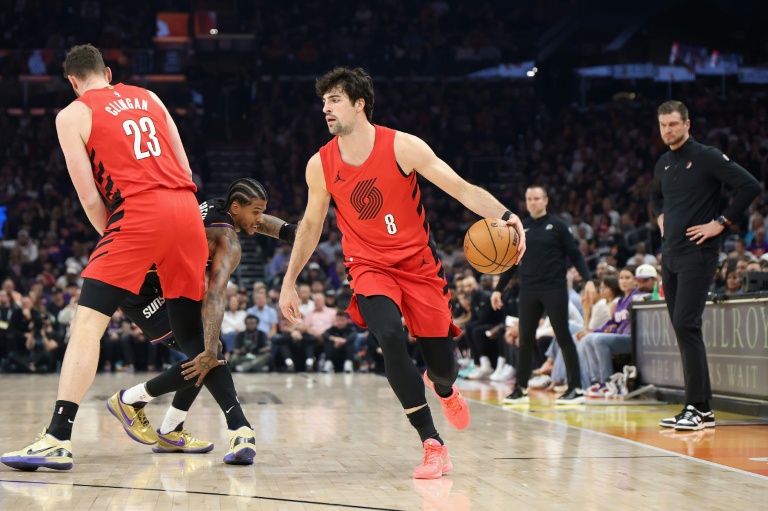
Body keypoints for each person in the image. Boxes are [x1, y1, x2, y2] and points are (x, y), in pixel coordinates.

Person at [278, 67, 526, 480]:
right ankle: (432, 443)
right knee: (390, 338)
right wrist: (289, 281)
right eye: (323, 101)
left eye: (335, 99)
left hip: (419, 266)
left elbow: (461, 188)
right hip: (368, 266)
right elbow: (311, 225)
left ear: (360, 103)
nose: (325, 108)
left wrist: (506, 214)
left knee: (443, 368)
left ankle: (444, 387)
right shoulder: (319, 164)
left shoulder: (403, 146)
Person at [2, 43, 208, 471]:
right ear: (109, 72)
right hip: (187, 210)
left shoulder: (72, 114)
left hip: (140, 214)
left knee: (87, 325)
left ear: (73, 82)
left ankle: (58, 437)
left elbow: (89, 196)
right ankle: (176, 427)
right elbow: (186, 169)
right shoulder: (150, 98)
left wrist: (121, 242)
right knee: (192, 335)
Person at [109, 178, 297, 461]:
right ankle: (133, 400)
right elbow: (216, 296)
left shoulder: (219, 207)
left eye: (262, 211)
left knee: (205, 353)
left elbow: (258, 221)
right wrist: (210, 350)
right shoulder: (228, 242)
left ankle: (172, 429)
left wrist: (288, 231)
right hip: (142, 289)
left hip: (160, 279)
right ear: (236, 207)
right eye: (256, 211)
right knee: (207, 353)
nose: (260, 218)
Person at [652, 100, 760, 431]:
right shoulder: (663, 163)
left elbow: (750, 186)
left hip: (699, 254)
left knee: (686, 324)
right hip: (670, 255)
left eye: (673, 124)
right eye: (663, 125)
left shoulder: (706, 156)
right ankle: (702, 409)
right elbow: (655, 196)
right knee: (684, 329)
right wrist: (660, 218)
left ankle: (695, 408)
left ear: (688, 124)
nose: (667, 130)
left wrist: (721, 222)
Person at [493, 185, 592, 405]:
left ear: (546, 200)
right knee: (525, 339)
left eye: (537, 198)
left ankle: (575, 388)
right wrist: (499, 289)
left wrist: (589, 280)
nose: (533, 202)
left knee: (563, 336)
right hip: (528, 290)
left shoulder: (558, 226)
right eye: (529, 199)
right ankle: (520, 388)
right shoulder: (522, 228)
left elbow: (575, 255)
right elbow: (511, 262)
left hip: (554, 288)